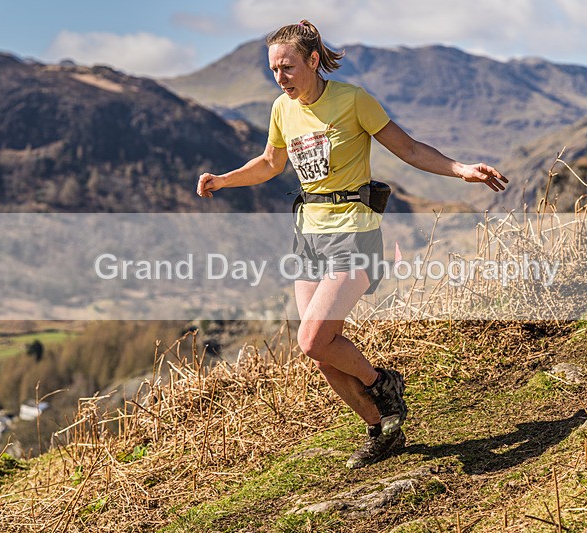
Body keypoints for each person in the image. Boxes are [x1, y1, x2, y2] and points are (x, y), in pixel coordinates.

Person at [197, 20, 508, 469]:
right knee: (324, 354)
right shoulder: (282, 109)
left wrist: (461, 169)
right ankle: (383, 429)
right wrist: (223, 180)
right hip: (309, 236)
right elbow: (269, 163)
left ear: (313, 61)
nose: (280, 77)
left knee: (311, 340)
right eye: (273, 69)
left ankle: (383, 383)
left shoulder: (354, 100)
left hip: (354, 233)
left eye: (287, 67)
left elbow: (409, 149)